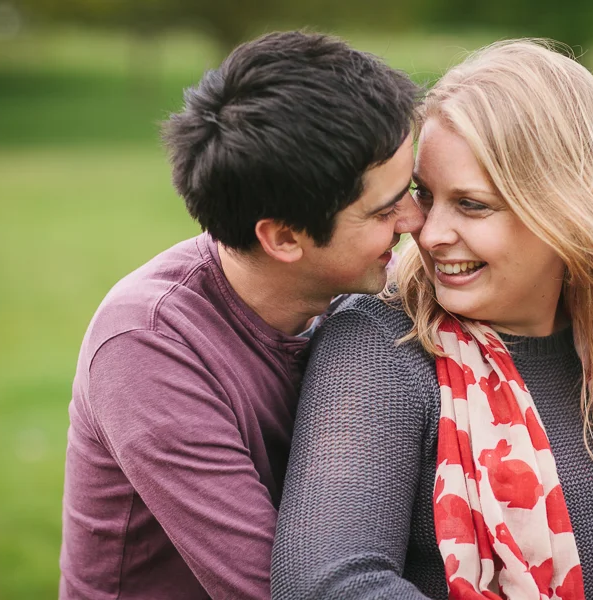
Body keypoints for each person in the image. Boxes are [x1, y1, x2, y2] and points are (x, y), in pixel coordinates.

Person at [272, 40, 593, 599]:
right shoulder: (380, 344)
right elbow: (327, 583)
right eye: (425, 194)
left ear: (564, 209)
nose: (428, 232)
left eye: (472, 205)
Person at [58, 31, 424, 599]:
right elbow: (283, 590)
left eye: (412, 187)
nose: (415, 220)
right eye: (384, 211)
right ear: (284, 238)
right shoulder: (148, 346)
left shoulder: (355, 291)